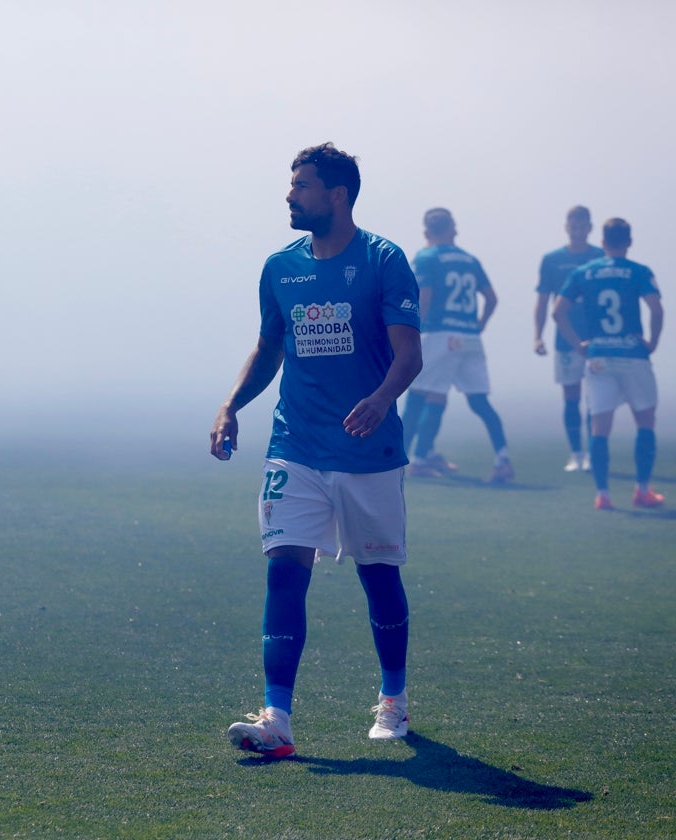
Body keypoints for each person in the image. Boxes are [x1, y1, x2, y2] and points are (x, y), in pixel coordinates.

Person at [209, 143, 422, 758]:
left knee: (379, 578)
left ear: (338, 195)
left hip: (367, 451)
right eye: (291, 184)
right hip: (295, 444)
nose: (289, 195)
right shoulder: (280, 267)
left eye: (301, 185)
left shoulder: (383, 260)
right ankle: (277, 720)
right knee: (283, 571)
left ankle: (394, 700)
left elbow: (409, 352)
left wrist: (381, 399)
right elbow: (269, 348)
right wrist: (230, 406)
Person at [553, 217, 664, 510]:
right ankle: (641, 490)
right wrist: (653, 341)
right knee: (645, 423)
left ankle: (603, 494)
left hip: (599, 357)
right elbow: (656, 308)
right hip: (632, 356)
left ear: (602, 242)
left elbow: (558, 312)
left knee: (600, 427)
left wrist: (579, 345)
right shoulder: (639, 271)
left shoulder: (584, 272)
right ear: (629, 242)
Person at [400, 208, 513, 483]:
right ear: (453, 229)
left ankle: (412, 458)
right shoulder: (469, 259)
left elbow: (424, 297)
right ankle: (503, 458)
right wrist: (480, 324)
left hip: (439, 334)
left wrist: (413, 329)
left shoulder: (426, 257)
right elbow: (492, 298)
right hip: (469, 337)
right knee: (478, 401)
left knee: (418, 393)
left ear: (427, 232)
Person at [534, 206, 604, 471]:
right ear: (567, 227)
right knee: (571, 397)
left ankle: (595, 453)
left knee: (596, 399)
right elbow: (542, 301)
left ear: (589, 227)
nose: (577, 230)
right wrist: (537, 336)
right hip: (566, 339)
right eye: (572, 226)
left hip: (597, 340)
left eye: (582, 226)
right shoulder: (552, 259)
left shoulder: (599, 257)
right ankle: (576, 453)